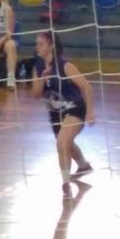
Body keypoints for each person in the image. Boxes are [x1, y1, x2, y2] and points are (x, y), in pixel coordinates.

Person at [31, 31, 94, 199]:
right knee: (66, 144)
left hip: (75, 108)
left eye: (41, 44)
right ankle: (83, 166)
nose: (37, 47)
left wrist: (90, 112)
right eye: (37, 44)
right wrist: (42, 79)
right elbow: (36, 95)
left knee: (62, 141)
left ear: (51, 45)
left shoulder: (65, 65)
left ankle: (65, 184)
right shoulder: (38, 66)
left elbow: (86, 87)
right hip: (55, 113)